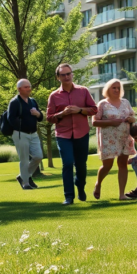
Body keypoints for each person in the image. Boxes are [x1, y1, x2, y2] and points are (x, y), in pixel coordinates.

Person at [46, 64, 98, 205]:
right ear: (58, 77)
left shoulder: (83, 91)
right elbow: (49, 117)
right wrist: (62, 114)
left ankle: (80, 186)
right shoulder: (54, 96)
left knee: (81, 165)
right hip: (63, 134)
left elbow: (94, 109)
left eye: (69, 73)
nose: (67, 76)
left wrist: (79, 110)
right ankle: (69, 196)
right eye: (63, 75)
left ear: (72, 74)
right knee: (67, 163)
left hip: (82, 133)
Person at [91, 79, 136, 200]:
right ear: (108, 89)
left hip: (125, 138)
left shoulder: (126, 102)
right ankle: (98, 183)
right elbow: (94, 121)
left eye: (118, 88)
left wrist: (132, 119)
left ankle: (122, 194)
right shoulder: (102, 104)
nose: (116, 90)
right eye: (114, 88)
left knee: (123, 164)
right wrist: (111, 122)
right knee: (107, 166)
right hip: (108, 139)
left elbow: (133, 116)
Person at [7, 79, 44, 190]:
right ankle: (26, 184)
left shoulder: (33, 101)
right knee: (24, 159)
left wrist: (37, 114)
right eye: (26, 87)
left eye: (29, 86)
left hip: (33, 134)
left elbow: (41, 118)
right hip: (20, 134)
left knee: (38, 156)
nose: (29, 89)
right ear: (19, 89)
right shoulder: (14, 102)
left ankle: (23, 176)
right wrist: (22, 124)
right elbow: (10, 119)